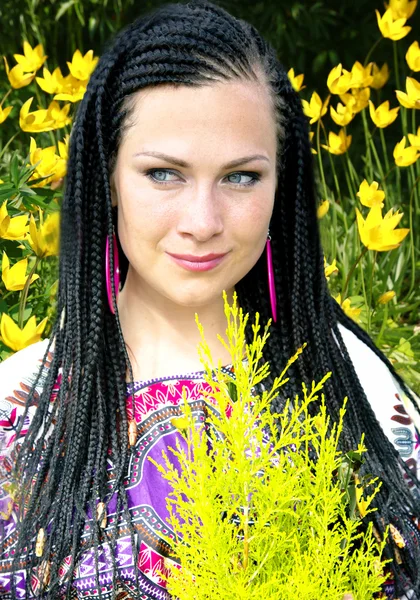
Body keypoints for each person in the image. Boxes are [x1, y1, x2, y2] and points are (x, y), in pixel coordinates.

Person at [0, 1, 419, 598]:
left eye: (242, 177)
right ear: (108, 176)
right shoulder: (18, 412)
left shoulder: (358, 393)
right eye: (164, 174)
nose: (203, 221)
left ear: (283, 186)